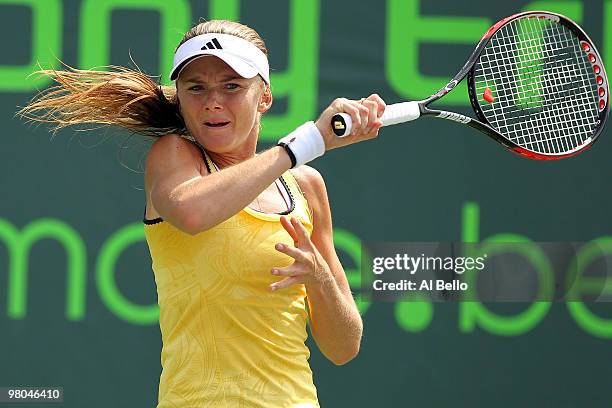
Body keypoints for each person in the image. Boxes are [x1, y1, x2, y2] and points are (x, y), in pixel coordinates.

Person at [19, 19, 385, 408]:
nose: (213, 101)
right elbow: (192, 214)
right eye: (196, 88)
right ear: (180, 98)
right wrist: (307, 141)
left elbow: (344, 346)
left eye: (232, 86)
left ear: (264, 97)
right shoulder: (174, 156)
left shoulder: (307, 188)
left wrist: (319, 278)